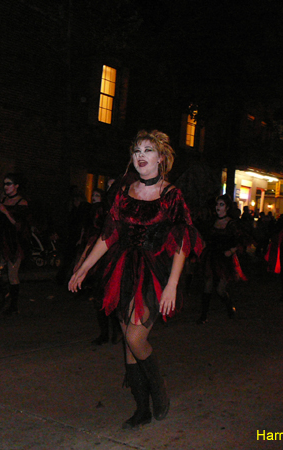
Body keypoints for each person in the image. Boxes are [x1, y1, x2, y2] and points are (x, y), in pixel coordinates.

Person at [69, 130, 203, 429]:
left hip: (155, 272)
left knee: (135, 337)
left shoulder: (171, 195)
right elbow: (109, 234)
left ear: (161, 158)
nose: (141, 155)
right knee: (127, 345)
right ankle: (142, 408)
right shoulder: (123, 191)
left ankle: (159, 390)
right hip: (121, 269)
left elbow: (183, 240)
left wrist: (172, 284)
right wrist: (84, 268)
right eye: (137, 150)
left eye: (148, 150)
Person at [73, 188, 121, 345]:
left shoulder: (119, 209)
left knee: (111, 293)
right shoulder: (97, 210)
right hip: (98, 254)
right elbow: (91, 233)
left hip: (113, 254)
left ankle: (116, 331)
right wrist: (82, 261)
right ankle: (105, 333)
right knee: (99, 296)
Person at [196, 194, 246, 324]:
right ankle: (203, 315)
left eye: (221, 204)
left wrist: (231, 251)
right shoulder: (212, 221)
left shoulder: (232, 224)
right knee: (208, 283)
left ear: (227, 207)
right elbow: (205, 236)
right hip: (211, 255)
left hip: (224, 258)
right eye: (217, 204)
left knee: (220, 289)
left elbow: (241, 240)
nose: (218, 207)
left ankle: (229, 307)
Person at [0, 173, 30, 316]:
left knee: (12, 275)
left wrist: (5, 212)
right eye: (4, 183)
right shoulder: (2, 199)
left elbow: (19, 225)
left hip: (14, 242)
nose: (6, 186)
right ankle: (5, 293)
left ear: (16, 186)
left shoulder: (22, 203)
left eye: (9, 184)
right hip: (0, 240)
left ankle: (14, 306)